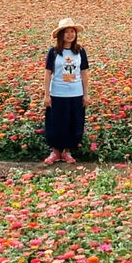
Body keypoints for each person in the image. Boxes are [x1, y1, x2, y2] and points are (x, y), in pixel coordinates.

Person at [43, 18, 90, 165]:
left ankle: (67, 151)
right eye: (66, 32)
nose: (70, 35)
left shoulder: (80, 51)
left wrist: (86, 94)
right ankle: (56, 152)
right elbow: (48, 73)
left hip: (76, 94)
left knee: (74, 123)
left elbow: (84, 73)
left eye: (72, 32)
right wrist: (46, 94)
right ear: (60, 34)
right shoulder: (54, 52)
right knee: (56, 123)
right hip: (57, 93)